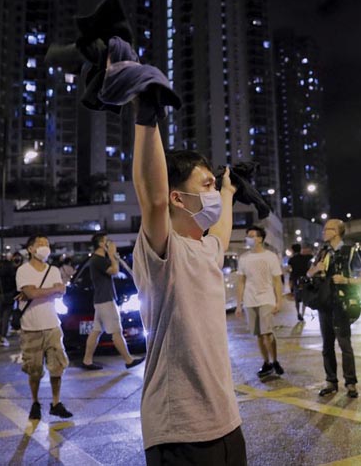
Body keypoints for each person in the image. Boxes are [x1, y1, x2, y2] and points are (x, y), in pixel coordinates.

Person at [130, 112, 245, 463]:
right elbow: (152, 198)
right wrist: (146, 117)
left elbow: (222, 232)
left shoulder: (207, 249)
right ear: (178, 198)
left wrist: (227, 189)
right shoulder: (164, 250)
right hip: (180, 431)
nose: (212, 193)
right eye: (205, 185)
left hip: (227, 422)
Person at [16, 234, 73, 420]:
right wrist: (51, 290)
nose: (44, 247)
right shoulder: (23, 270)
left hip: (53, 325)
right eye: (40, 244)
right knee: (34, 369)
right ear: (30, 249)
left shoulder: (54, 270)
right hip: (31, 327)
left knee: (57, 367)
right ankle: (35, 402)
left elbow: (61, 291)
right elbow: (31, 291)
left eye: (47, 244)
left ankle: (56, 403)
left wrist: (40, 293)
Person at [307, 218, 361, 399]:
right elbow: (309, 273)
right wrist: (314, 270)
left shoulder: (350, 252)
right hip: (324, 303)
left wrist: (346, 280)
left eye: (327, 229)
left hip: (342, 303)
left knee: (345, 344)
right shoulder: (322, 252)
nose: (324, 232)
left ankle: (351, 383)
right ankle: (331, 381)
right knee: (327, 345)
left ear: (337, 232)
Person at [82, 232, 144, 371]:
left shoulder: (97, 259)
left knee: (96, 331)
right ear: (101, 244)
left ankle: (87, 360)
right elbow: (114, 270)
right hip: (106, 300)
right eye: (107, 241)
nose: (110, 243)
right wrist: (111, 254)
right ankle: (128, 360)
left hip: (101, 300)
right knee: (116, 331)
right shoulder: (98, 259)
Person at [235, 226, 284, 377]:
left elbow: (277, 281)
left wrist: (279, 301)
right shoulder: (243, 258)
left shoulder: (270, 256)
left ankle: (275, 360)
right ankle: (266, 362)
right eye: (248, 236)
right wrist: (239, 304)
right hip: (250, 301)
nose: (248, 239)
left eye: (251, 236)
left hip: (266, 298)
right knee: (258, 334)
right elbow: (241, 282)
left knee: (267, 333)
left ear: (260, 239)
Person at [0, 252, 22, 347]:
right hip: (10, 297)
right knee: (6, 317)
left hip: (0, 296)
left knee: (0, 316)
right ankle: (3, 335)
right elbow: (17, 287)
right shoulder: (14, 274)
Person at [287, 243, 312, 321]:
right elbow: (311, 261)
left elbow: (289, 270)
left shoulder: (291, 259)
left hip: (295, 280)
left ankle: (298, 313)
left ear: (293, 250)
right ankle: (303, 313)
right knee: (304, 297)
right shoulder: (306, 258)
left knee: (296, 298)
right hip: (304, 279)